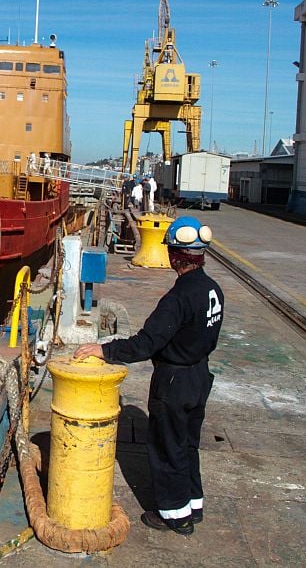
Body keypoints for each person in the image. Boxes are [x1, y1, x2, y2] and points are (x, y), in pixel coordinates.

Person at [74, 216, 224, 536]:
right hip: (199, 376)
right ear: (200, 255)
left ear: (174, 255)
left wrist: (104, 350)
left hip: (174, 381)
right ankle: (193, 504)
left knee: (167, 447)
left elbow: (145, 344)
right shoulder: (213, 289)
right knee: (187, 444)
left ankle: (174, 515)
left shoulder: (177, 299)